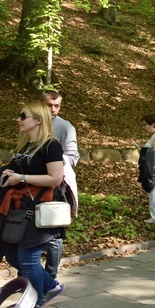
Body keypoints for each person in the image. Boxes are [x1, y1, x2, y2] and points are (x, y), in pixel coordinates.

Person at [1, 102, 66, 306]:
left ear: (38, 119)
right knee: (12, 255)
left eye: (23, 116)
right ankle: (50, 286)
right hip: (20, 210)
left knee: (28, 259)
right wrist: (8, 172)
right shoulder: (25, 145)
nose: (18, 120)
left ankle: (34, 301)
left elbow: (56, 178)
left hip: (40, 210)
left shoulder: (50, 145)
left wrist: (20, 177)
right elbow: (15, 170)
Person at [40, 90, 79, 280]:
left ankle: (50, 278)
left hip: (53, 185)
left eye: (57, 105)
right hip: (30, 184)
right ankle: (29, 276)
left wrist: (52, 162)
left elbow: (73, 156)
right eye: (49, 105)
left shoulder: (65, 127)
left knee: (53, 234)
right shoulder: (31, 122)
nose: (53, 109)